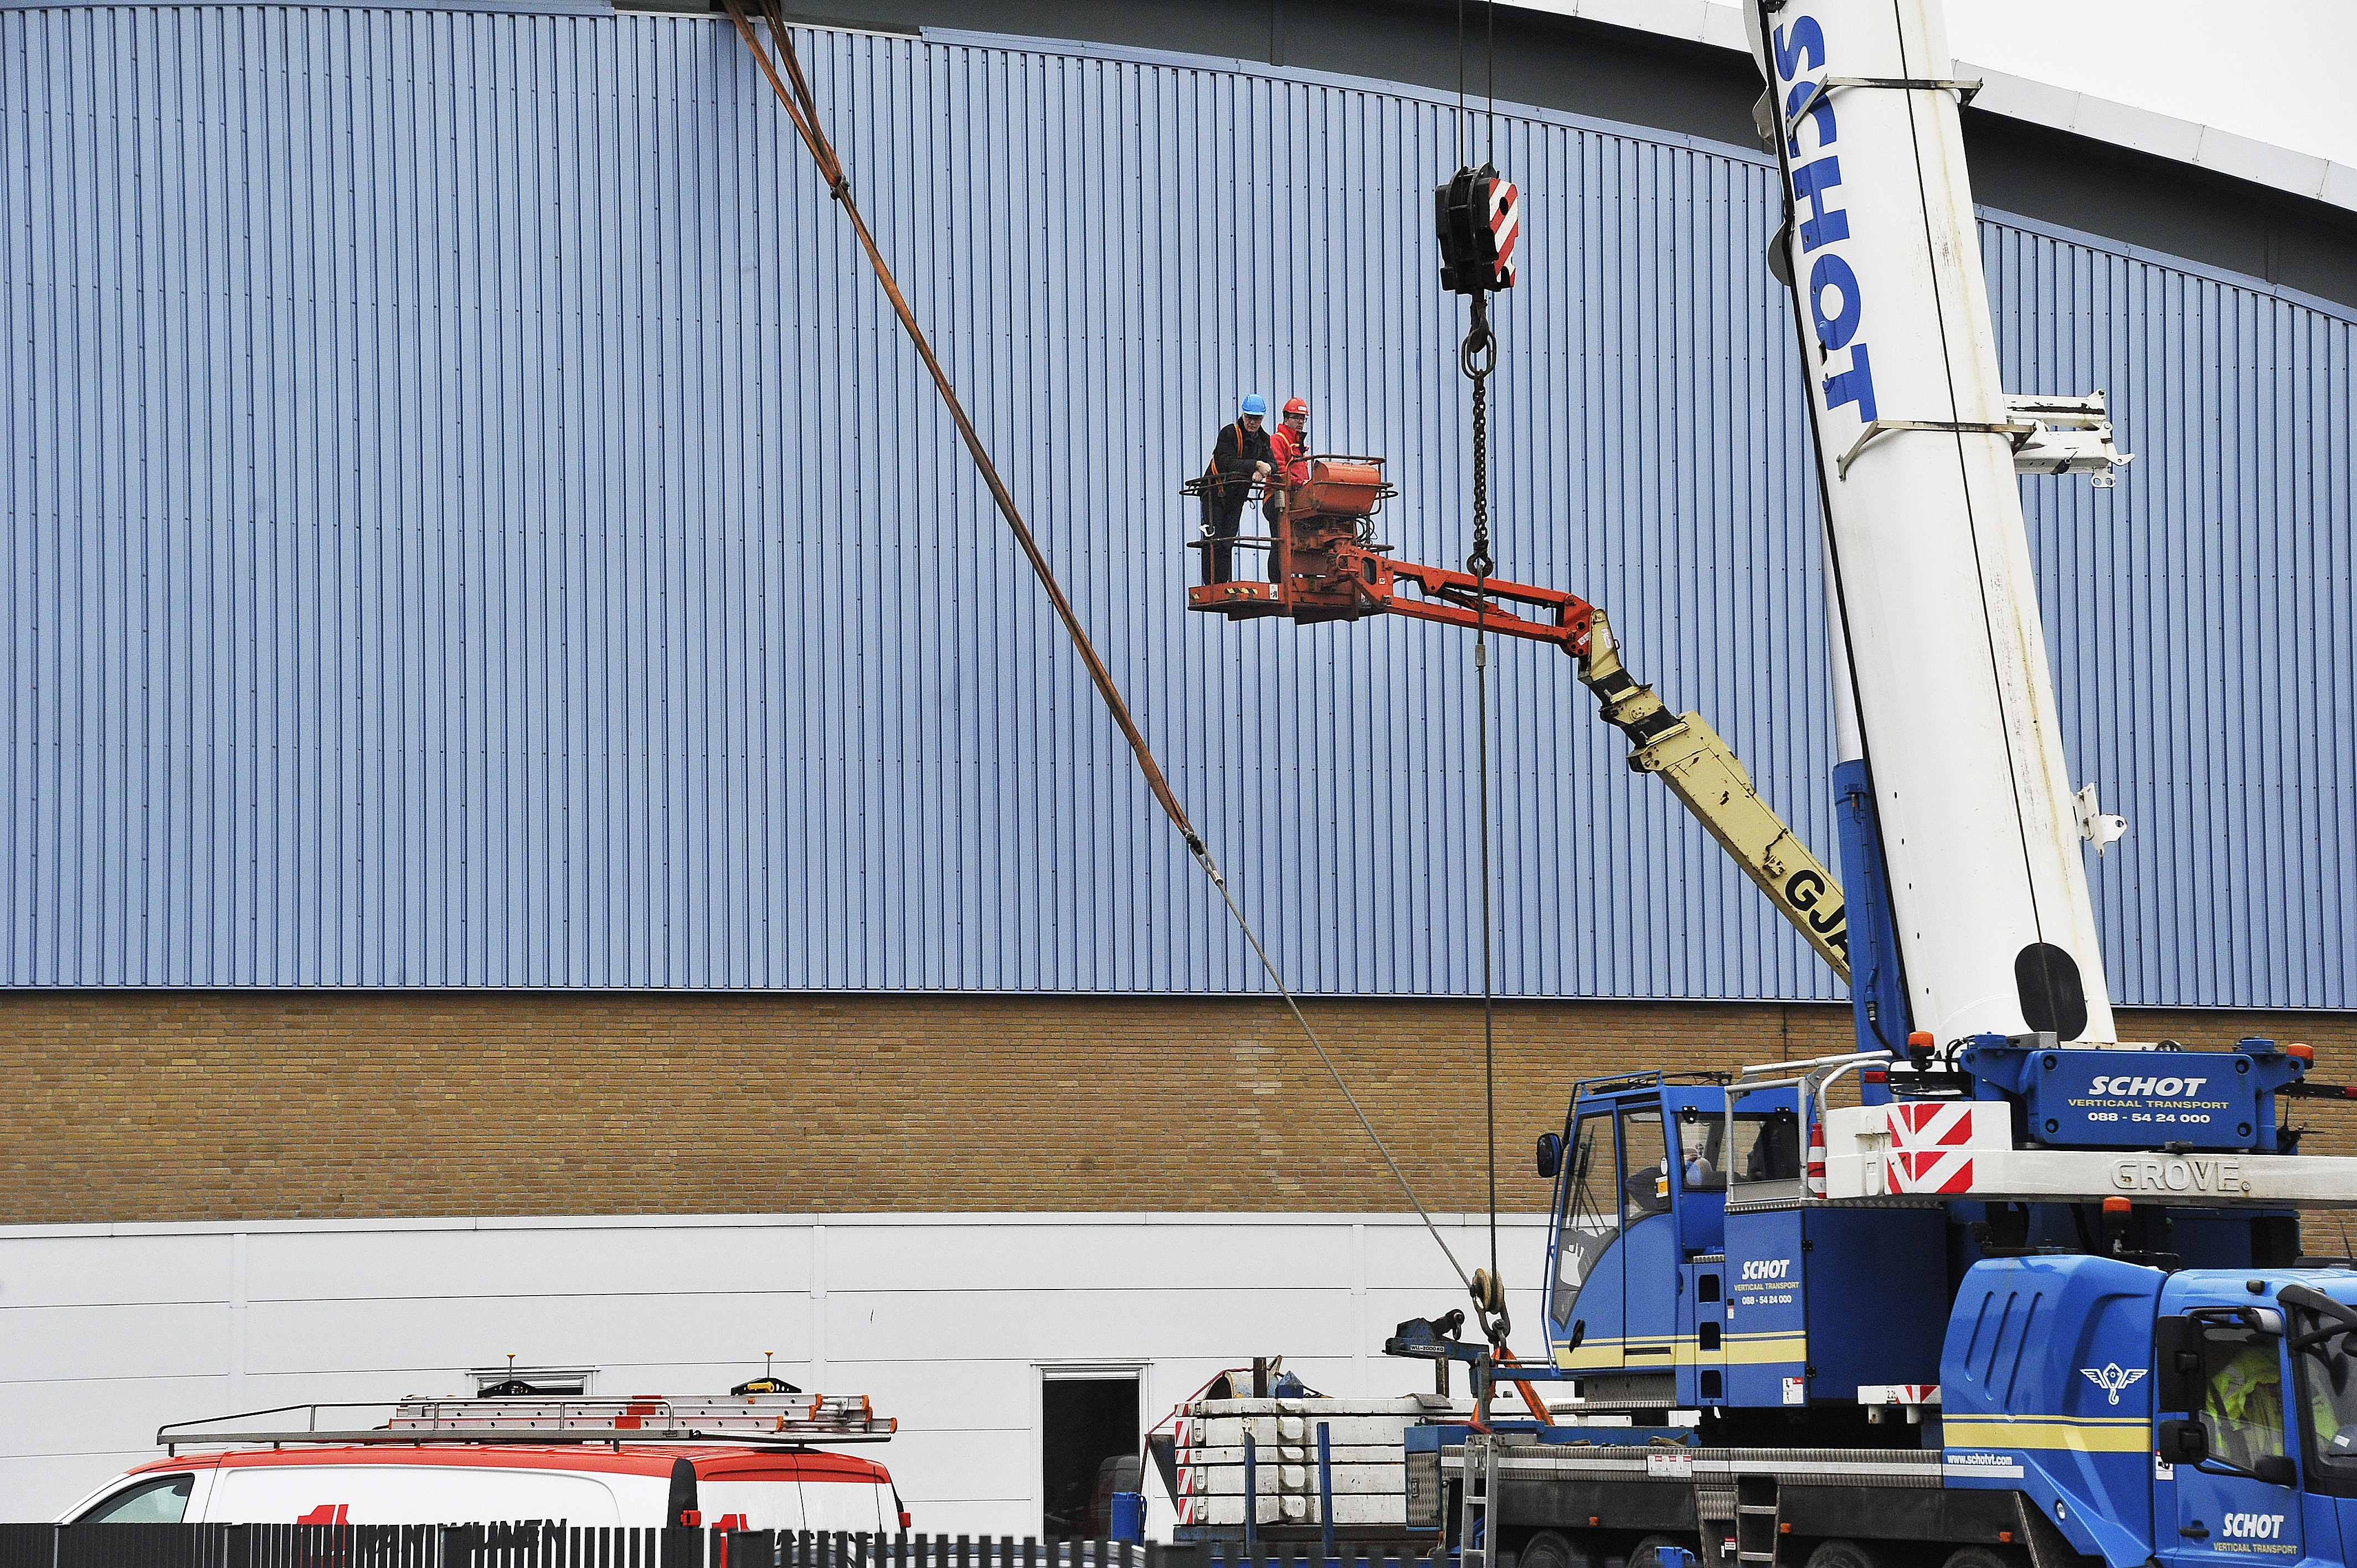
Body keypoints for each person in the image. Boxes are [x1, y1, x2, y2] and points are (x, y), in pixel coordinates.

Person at [1200, 394, 1273, 584]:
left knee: (1227, 542)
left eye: (1257, 418)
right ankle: (1211, 584)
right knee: (1213, 539)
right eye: (1249, 417)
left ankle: (1222, 583)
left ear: (1262, 418)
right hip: (1215, 494)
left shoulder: (1263, 439)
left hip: (1236, 497)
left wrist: (1264, 471)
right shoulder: (1229, 433)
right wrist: (1256, 465)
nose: (1252, 422)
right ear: (1243, 415)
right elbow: (1226, 462)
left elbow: (1272, 463)